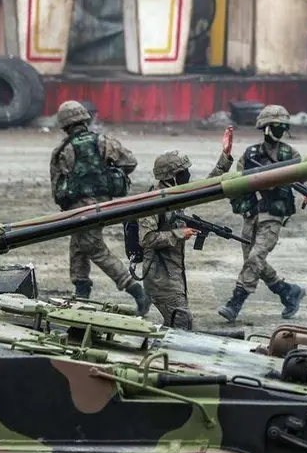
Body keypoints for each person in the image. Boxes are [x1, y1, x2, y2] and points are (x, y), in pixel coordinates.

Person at [49, 100, 152, 315]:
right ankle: (81, 292)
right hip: (103, 203)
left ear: (64, 124)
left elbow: (57, 185)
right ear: (85, 119)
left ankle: (136, 290)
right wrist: (109, 175)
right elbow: (130, 162)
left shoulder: (63, 150)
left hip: (79, 207)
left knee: (94, 249)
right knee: (79, 246)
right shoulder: (103, 141)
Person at [218, 105, 307, 322]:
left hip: (273, 215)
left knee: (255, 257)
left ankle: (235, 302)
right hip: (251, 214)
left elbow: (304, 175)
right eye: (275, 126)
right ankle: (288, 292)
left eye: (282, 127)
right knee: (254, 261)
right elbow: (238, 181)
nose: (279, 131)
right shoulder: (250, 154)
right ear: (265, 127)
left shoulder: (290, 154)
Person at [139, 128, 234, 328]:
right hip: (160, 278)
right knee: (182, 323)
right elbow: (146, 238)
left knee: (176, 325)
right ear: (171, 176)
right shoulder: (154, 201)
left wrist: (225, 156)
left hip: (172, 275)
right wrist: (178, 233)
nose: (188, 175)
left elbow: (208, 186)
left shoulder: (176, 194)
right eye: (183, 172)